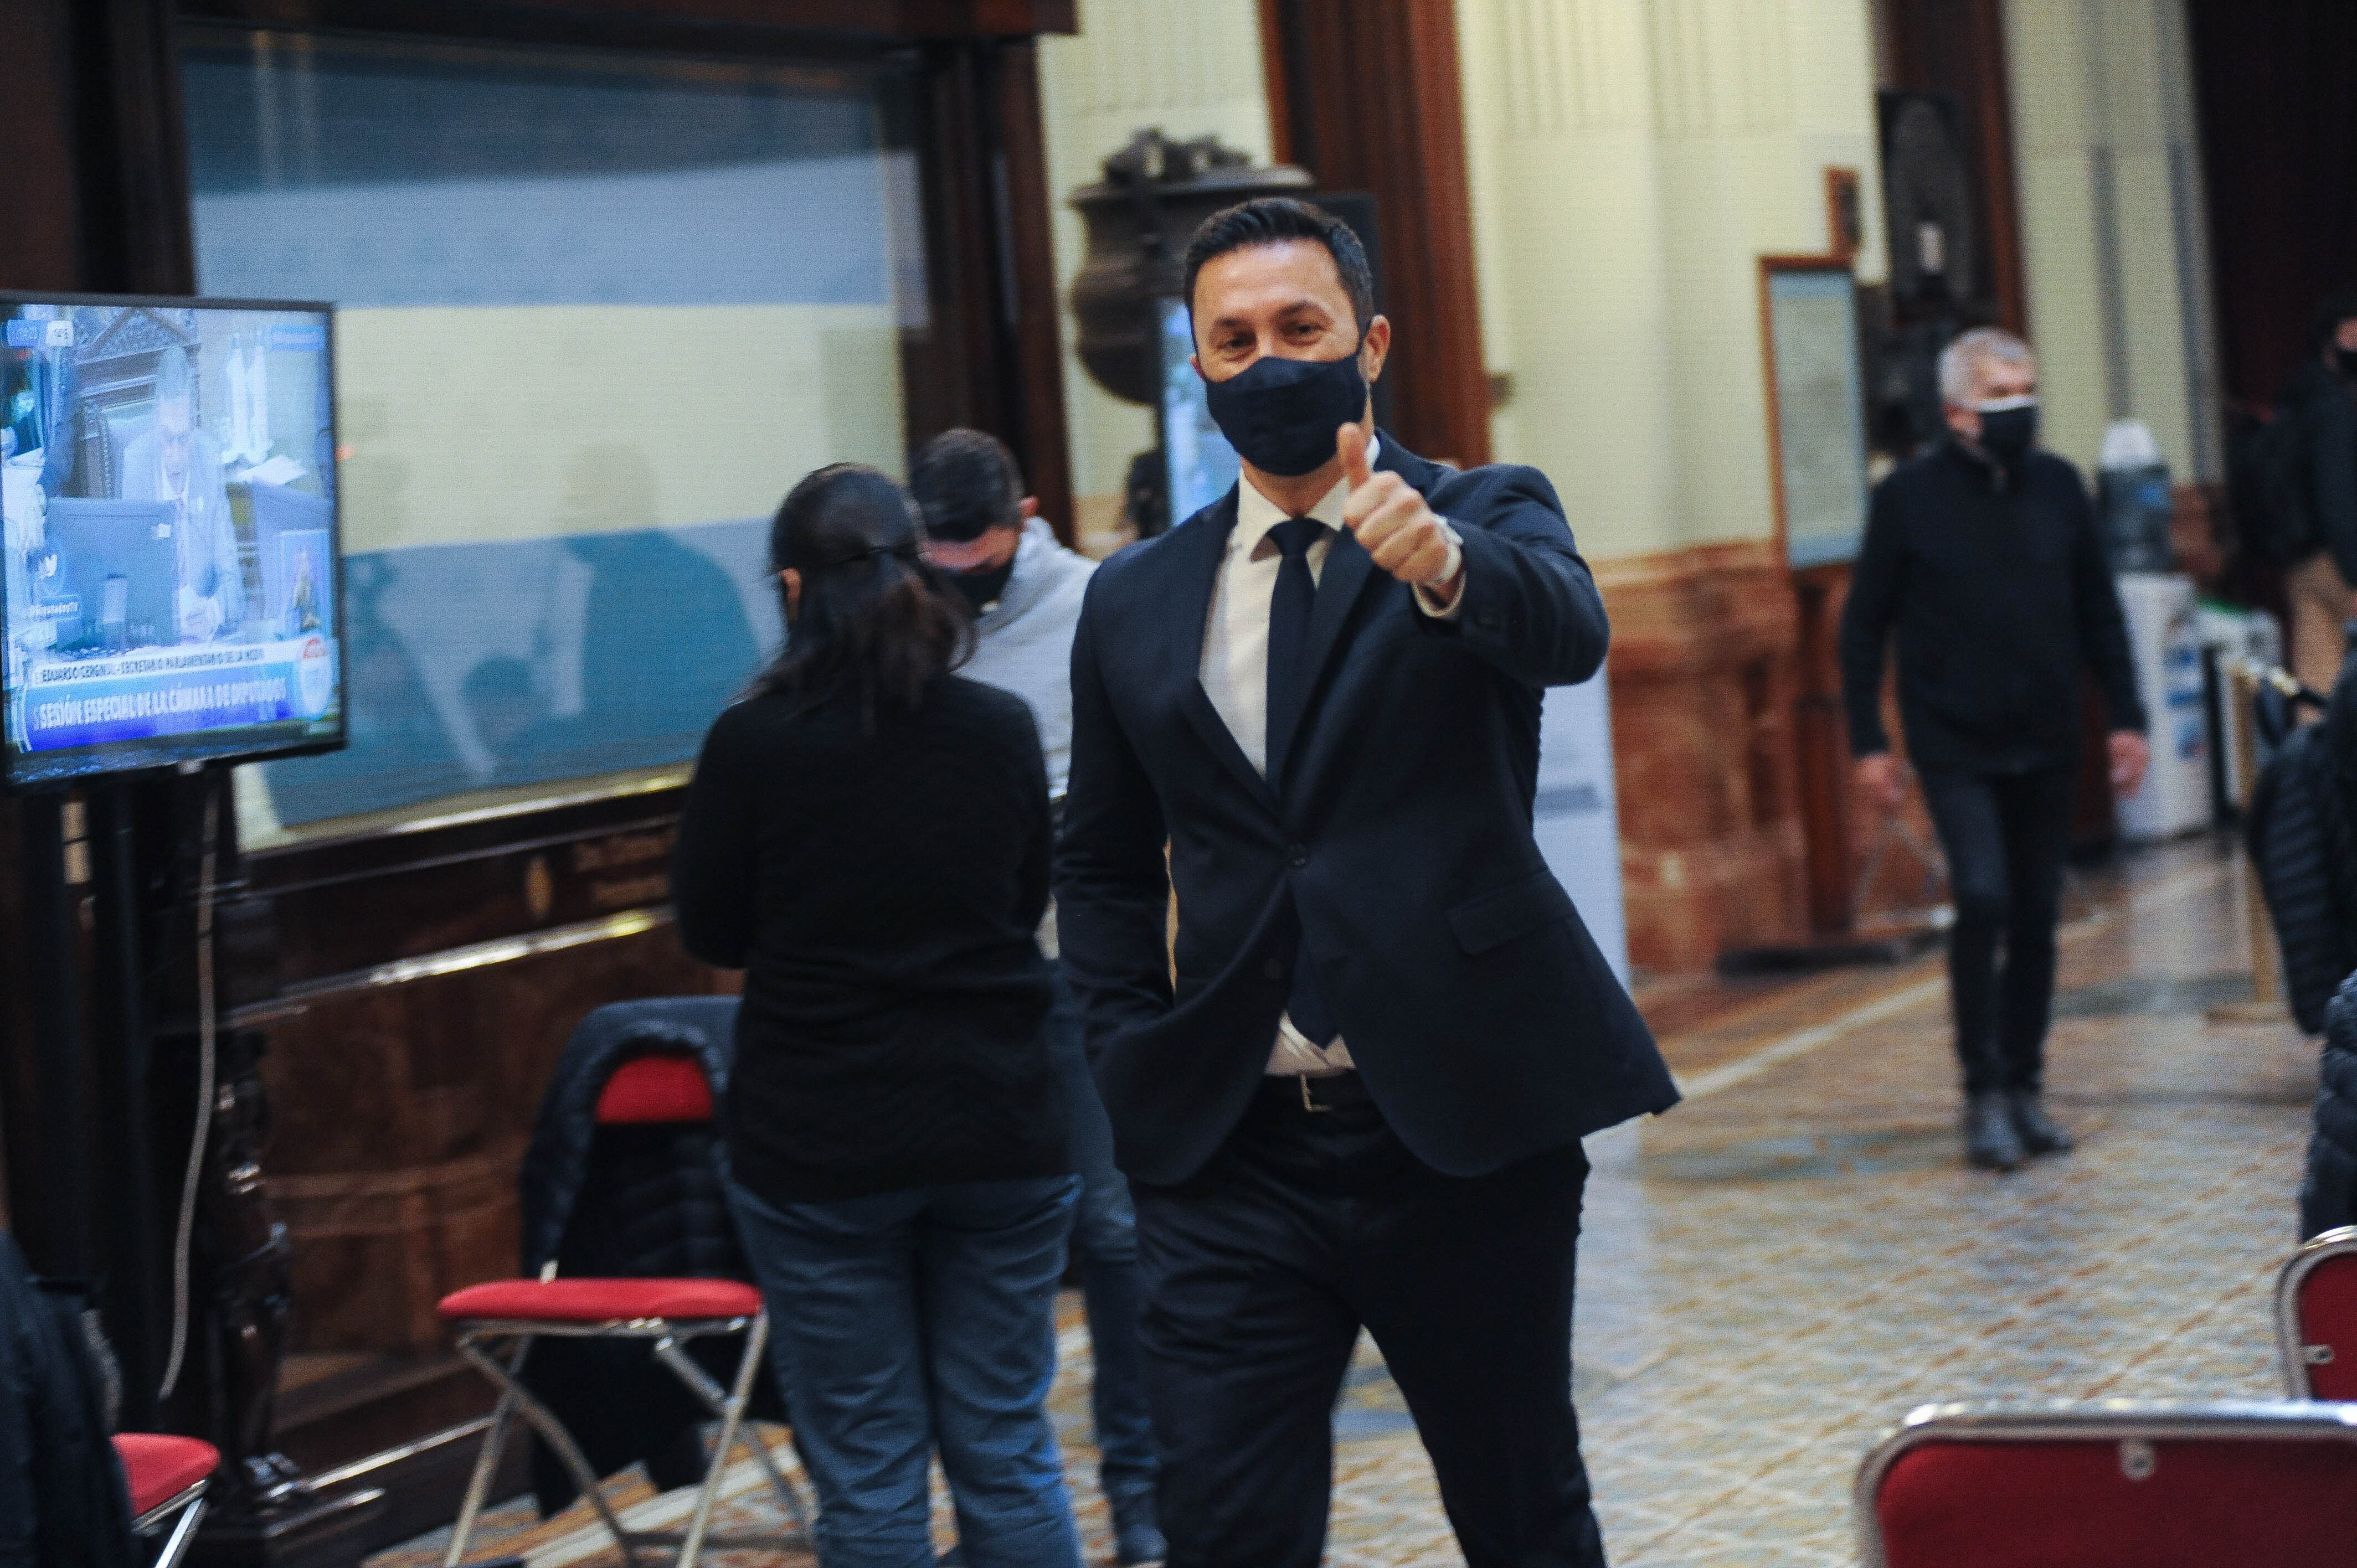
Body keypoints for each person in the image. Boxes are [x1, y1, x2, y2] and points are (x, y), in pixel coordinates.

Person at [1055, 196, 1677, 1568]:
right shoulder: (1137, 595)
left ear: (1370, 340)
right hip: (1231, 1141)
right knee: (1224, 1527)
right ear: (1198, 363)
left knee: (1520, 1507)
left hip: (1457, 1124)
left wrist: (1448, 568)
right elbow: (1100, 856)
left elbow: (1569, 630)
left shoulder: (1481, 508)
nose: (1269, 360)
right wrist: (1120, 1041)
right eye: (1234, 338)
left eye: (1301, 328)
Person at [672, 463, 1083, 1568]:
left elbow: (711, 930)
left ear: (795, 586)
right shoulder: (997, 728)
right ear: (917, 572)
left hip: (822, 1141)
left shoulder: (751, 744)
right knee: (1006, 1447)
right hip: (1002, 1122)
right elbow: (1022, 901)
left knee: (868, 1469)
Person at [908, 429, 1165, 1567]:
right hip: (953, 982)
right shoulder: (903, 618)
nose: (967, 581)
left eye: (985, 556)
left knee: (1114, 1231)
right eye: (944, 561)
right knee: (970, 1232)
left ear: (1028, 513)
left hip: (1078, 966)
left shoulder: (1098, 604)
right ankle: (998, 1520)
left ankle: (1147, 1503)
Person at [1840, 326, 2152, 1173]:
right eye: (2002, 393)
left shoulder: (2058, 485)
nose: (2022, 405)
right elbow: (1864, 627)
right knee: (1981, 897)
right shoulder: (1908, 498)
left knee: (2038, 913)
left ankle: (2026, 1084)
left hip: (2047, 735)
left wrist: (2127, 717)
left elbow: (2098, 608)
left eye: (2027, 387)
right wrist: (1870, 740)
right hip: (1956, 740)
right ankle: (1982, 1089)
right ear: (1958, 412)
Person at [120, 347, 243, 644]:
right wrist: (169, 618)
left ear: (195, 427)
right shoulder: (135, 464)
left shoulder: (208, 459)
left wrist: (212, 612)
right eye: (167, 439)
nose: (176, 456)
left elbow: (234, 585)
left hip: (204, 639)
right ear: (154, 425)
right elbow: (127, 585)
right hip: (156, 638)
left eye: (184, 439)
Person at [2281, 290, 2357, 695]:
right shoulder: (2333, 409)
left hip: (2302, 560)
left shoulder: (2297, 398)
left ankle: (2318, 757)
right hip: (2339, 563)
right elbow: (2339, 500)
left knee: (2317, 682)